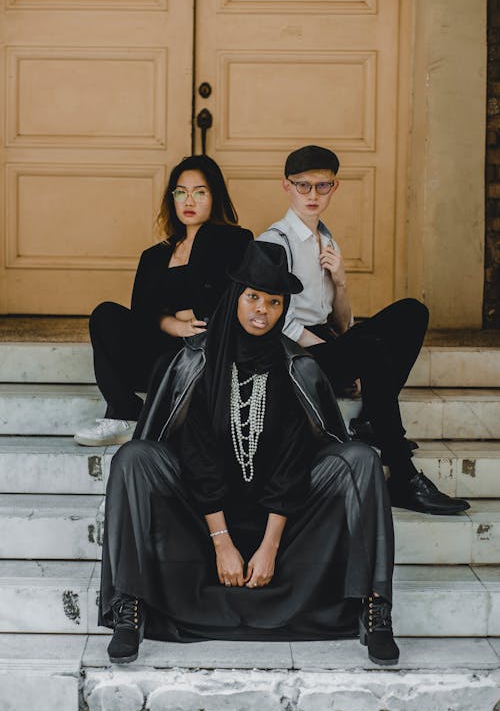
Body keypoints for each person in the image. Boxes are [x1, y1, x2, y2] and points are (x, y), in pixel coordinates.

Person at [99, 241, 398, 668]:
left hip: (285, 516)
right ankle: (130, 605)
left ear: (284, 308)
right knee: (134, 459)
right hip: (201, 516)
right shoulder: (194, 361)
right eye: (253, 297)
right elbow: (195, 455)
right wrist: (222, 543)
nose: (262, 310)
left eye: (274, 302)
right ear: (235, 296)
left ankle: (374, 606)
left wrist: (269, 545)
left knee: (361, 459)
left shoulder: (299, 367)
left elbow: (298, 460)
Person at [258, 145, 469, 516]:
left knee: (411, 312)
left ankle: (371, 417)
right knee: (369, 348)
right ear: (286, 187)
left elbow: (342, 325)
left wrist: (339, 280)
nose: (312, 195)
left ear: (334, 188)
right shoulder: (275, 243)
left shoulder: (327, 239)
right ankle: (402, 475)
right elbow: (274, 321)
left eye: (321, 186)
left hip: (325, 340)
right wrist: (336, 352)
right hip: (293, 354)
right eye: (303, 186)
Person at [74, 155, 252, 446]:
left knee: (168, 358)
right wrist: (174, 323)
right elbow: (141, 315)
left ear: (215, 196)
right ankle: (124, 413)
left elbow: (219, 304)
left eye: (200, 192)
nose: (188, 201)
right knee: (105, 314)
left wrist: (201, 241)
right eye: (181, 192)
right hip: (160, 349)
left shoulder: (236, 242)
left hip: (203, 355)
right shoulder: (155, 255)